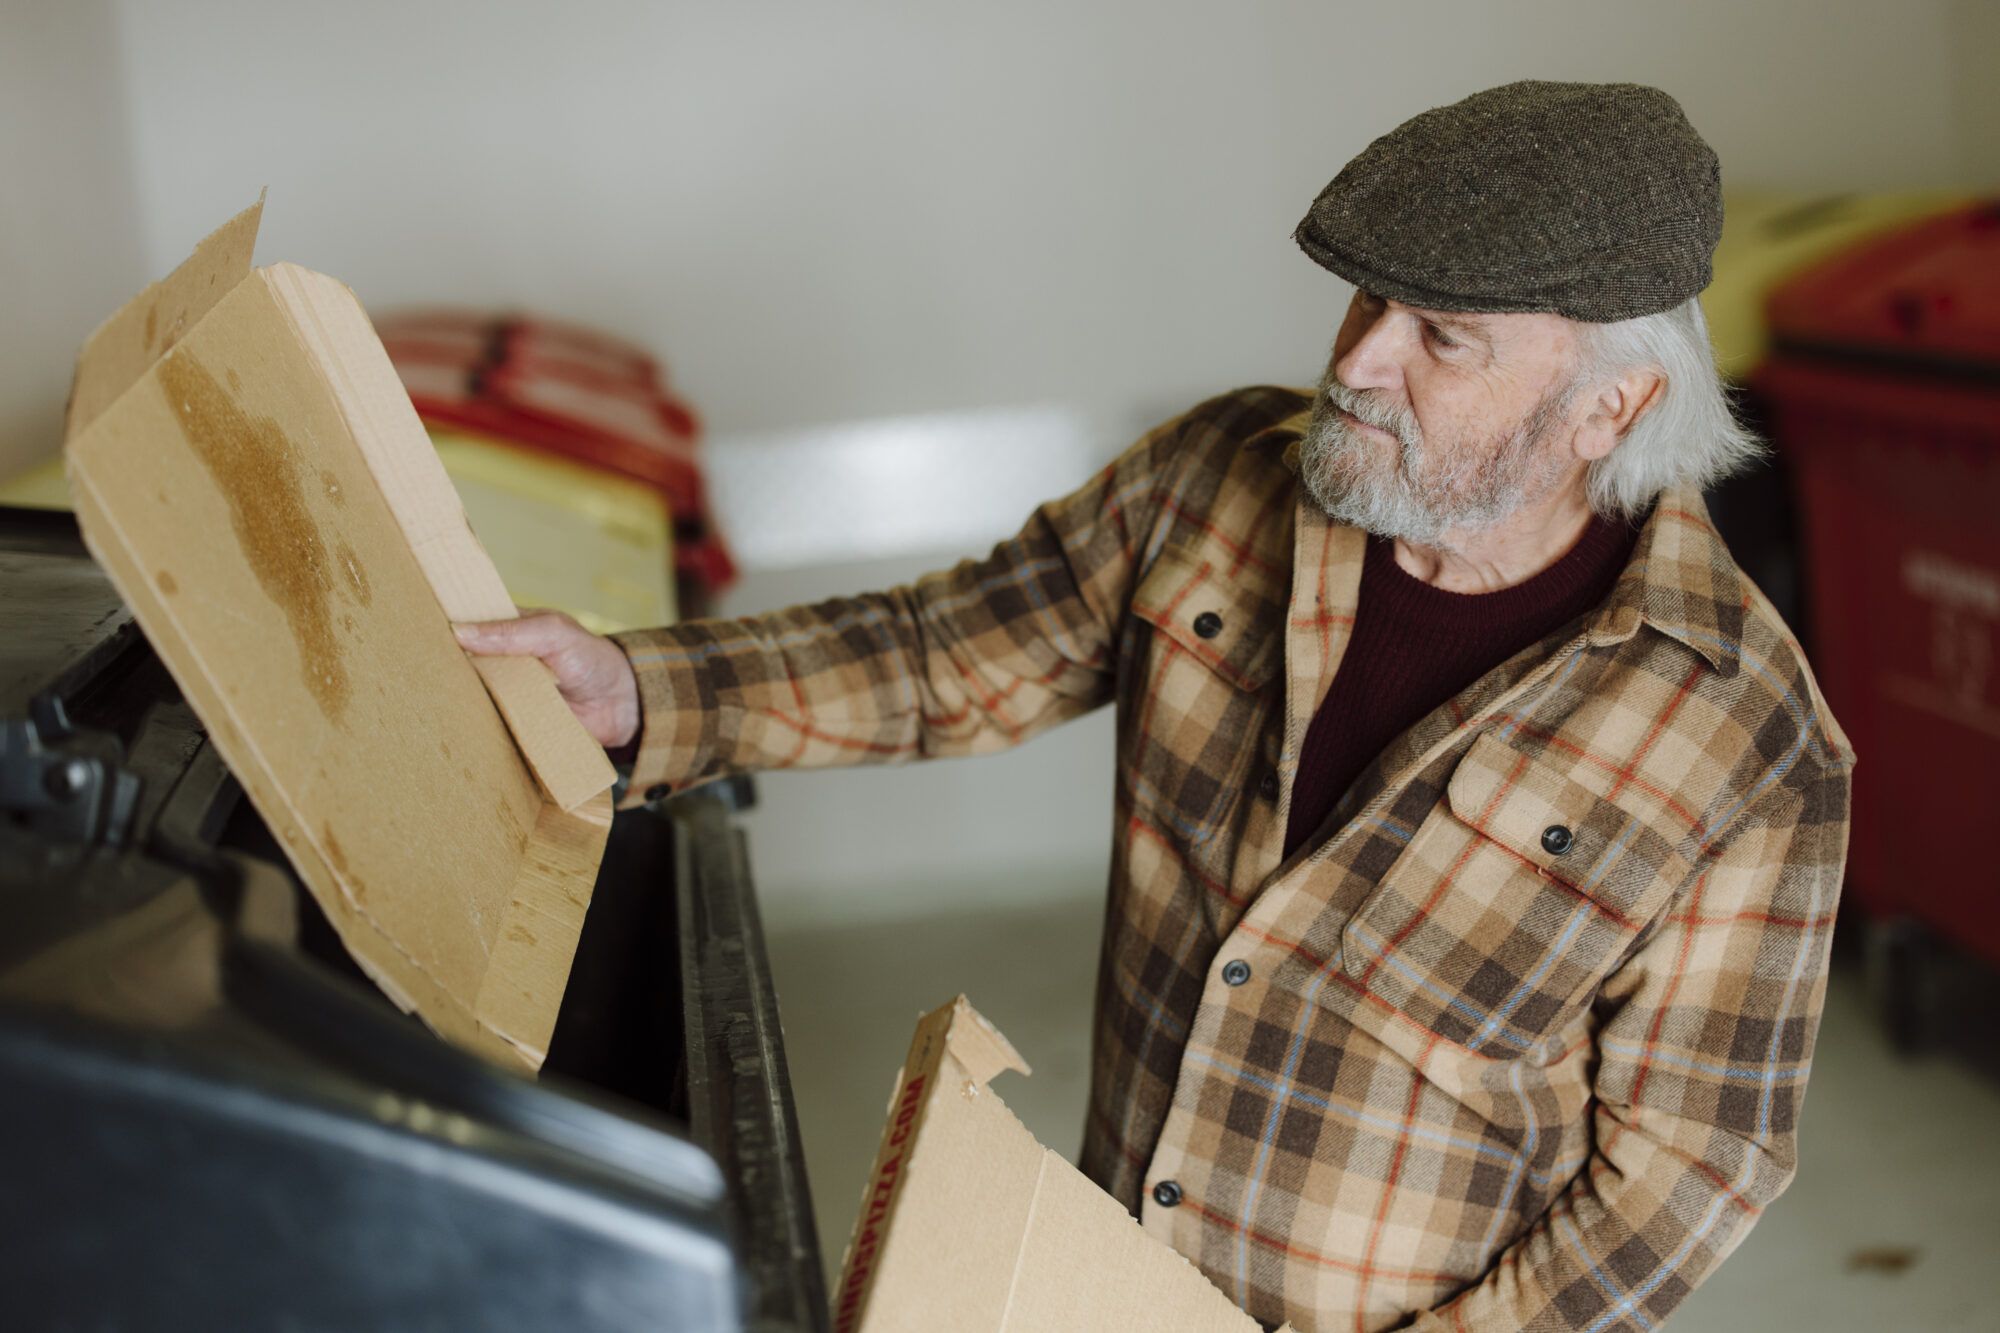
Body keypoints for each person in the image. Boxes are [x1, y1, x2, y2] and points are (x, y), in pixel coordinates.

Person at [455, 80, 1854, 1333]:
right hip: (1102, 1274)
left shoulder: (1747, 735)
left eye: (1441, 335)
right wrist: (643, 684)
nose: (1358, 362)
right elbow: (949, 652)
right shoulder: (1216, 479)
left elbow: (1691, 1159)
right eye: (1366, 302)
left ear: (1612, 409)